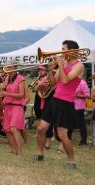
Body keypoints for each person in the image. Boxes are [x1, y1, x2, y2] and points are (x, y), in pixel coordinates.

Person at [34, 40, 84, 169]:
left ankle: (71, 161)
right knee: (41, 129)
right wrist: (50, 70)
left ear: (72, 51)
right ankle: (39, 154)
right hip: (54, 101)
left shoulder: (79, 66)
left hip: (66, 103)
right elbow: (53, 83)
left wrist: (61, 66)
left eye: (63, 49)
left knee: (62, 135)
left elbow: (66, 80)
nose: (60, 51)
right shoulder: (65, 63)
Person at [0, 62, 26, 156]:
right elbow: (3, 88)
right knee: (7, 129)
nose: (7, 69)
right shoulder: (7, 78)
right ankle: (14, 149)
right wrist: (1, 86)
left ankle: (19, 152)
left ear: (15, 68)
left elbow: (21, 95)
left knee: (14, 128)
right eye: (7, 67)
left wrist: (6, 94)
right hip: (7, 106)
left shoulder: (20, 78)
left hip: (16, 106)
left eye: (9, 67)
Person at [32, 65, 55, 149]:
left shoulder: (50, 77)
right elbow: (33, 89)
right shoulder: (38, 78)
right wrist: (37, 85)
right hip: (38, 99)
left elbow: (51, 88)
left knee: (47, 119)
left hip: (47, 100)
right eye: (39, 70)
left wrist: (40, 85)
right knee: (38, 117)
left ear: (46, 70)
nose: (40, 72)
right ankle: (38, 134)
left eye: (42, 70)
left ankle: (48, 140)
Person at [67, 78, 90, 146]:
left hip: (79, 107)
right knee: (69, 123)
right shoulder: (69, 81)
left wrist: (77, 95)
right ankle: (68, 139)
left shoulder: (82, 83)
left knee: (81, 124)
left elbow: (88, 96)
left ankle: (83, 141)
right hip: (70, 105)